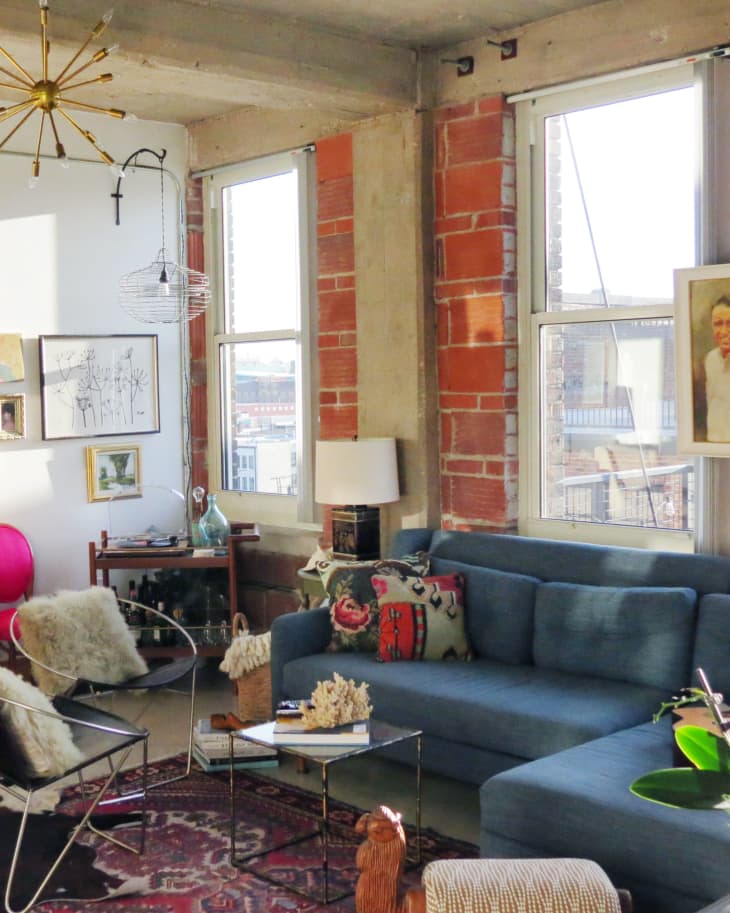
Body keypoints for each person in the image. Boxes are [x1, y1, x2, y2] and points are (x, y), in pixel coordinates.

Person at [705, 295, 730, 441]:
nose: (724, 331)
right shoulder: (710, 359)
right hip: (714, 446)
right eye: (718, 323)